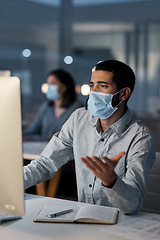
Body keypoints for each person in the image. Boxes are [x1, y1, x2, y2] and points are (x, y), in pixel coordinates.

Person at [23, 60, 155, 214]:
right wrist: (9, 185)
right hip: (82, 217)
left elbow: (133, 205)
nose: (94, 92)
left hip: (120, 225)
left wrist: (111, 181)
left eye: (103, 86)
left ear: (124, 93)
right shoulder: (79, 118)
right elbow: (45, 163)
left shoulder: (141, 137)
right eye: (92, 85)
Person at [23, 69, 82, 141]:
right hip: (41, 150)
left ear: (63, 88)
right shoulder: (47, 106)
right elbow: (34, 129)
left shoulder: (77, 109)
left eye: (52, 84)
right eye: (48, 84)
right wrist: (20, 136)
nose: (49, 87)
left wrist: (29, 138)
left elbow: (62, 138)